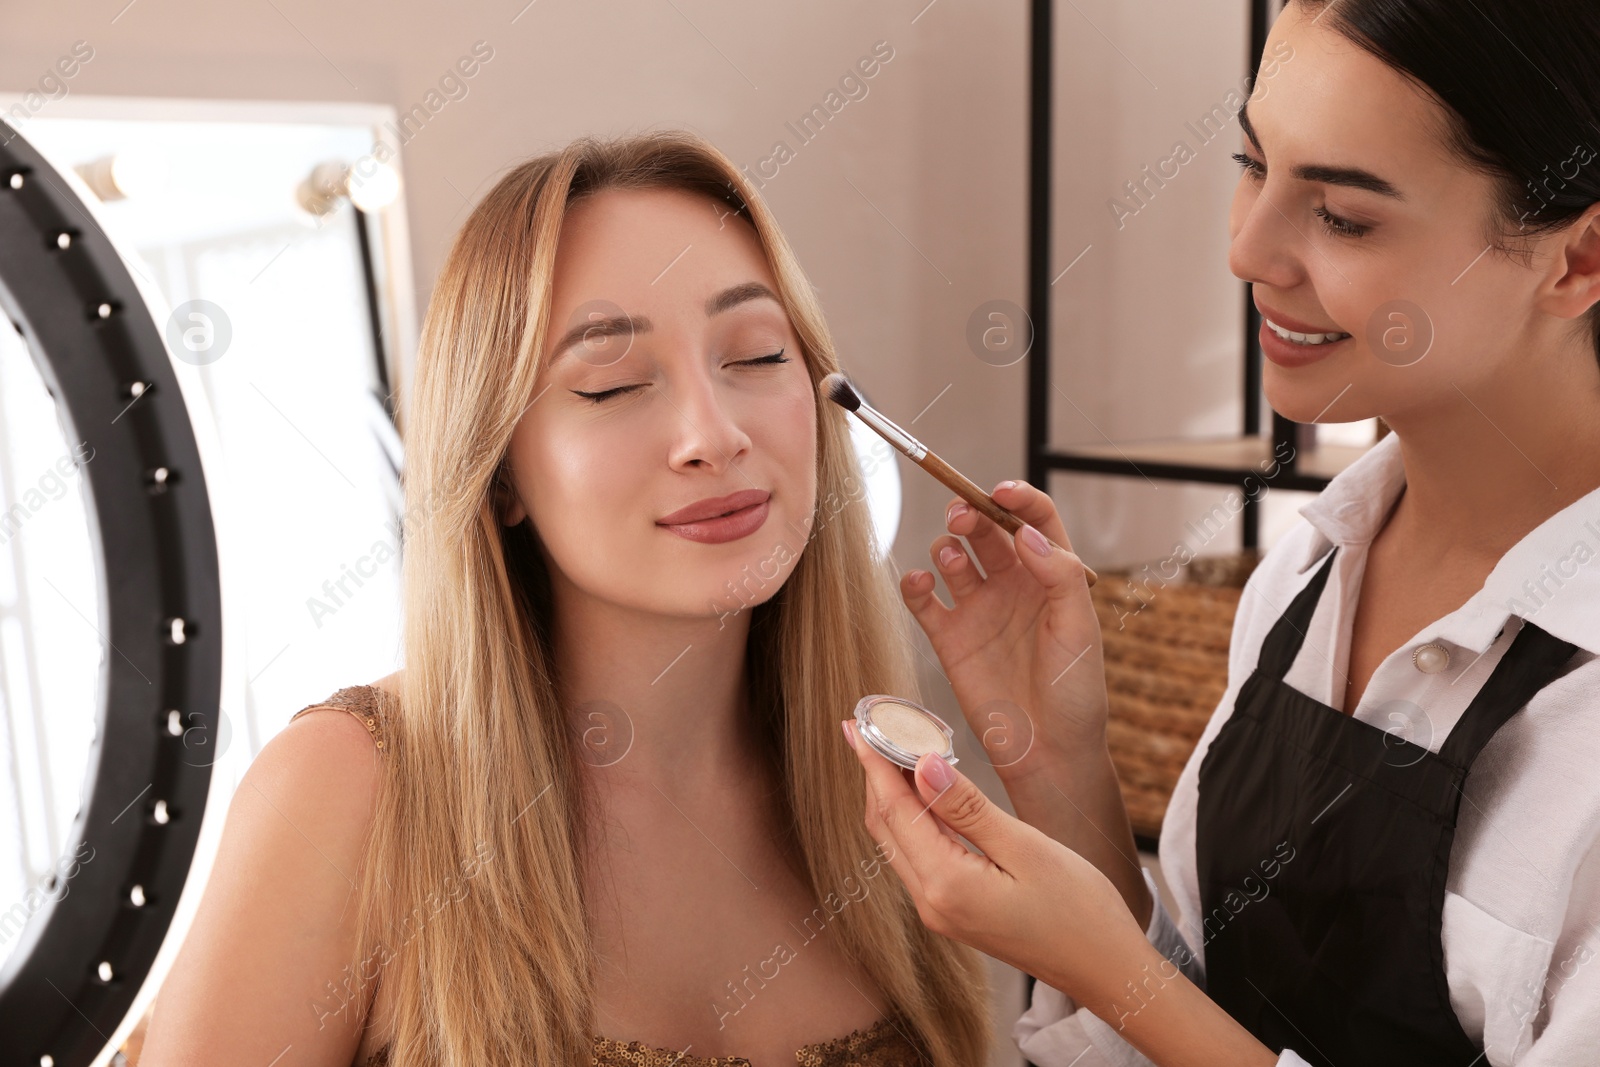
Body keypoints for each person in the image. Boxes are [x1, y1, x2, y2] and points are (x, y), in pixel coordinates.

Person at [842, 1, 1600, 1065]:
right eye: (1253, 164)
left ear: (1577, 259)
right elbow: (1194, 1005)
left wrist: (1116, 974)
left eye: (1340, 214)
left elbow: (1150, 997)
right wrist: (1056, 760)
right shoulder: (1303, 568)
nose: (1246, 249)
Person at [138, 131, 993, 1066]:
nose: (713, 434)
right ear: (499, 474)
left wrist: (1059, 752)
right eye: (614, 383)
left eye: (754, 356)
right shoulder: (350, 793)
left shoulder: (879, 792)